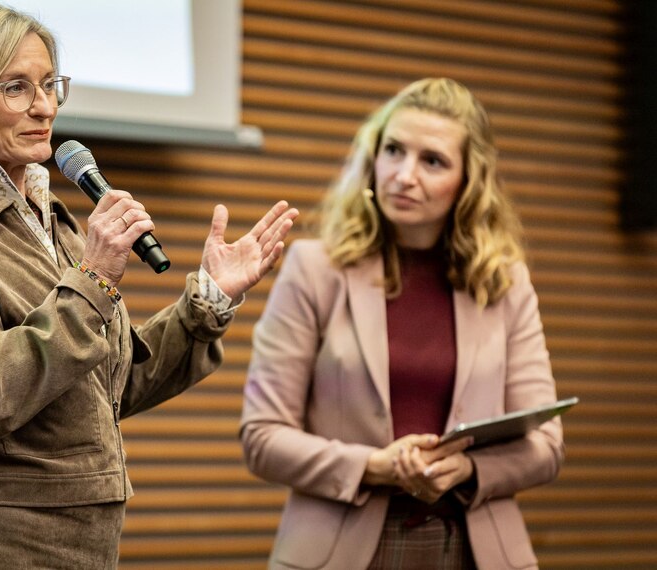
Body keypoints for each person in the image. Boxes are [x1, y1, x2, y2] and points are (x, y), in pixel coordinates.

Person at [0, 4, 298, 568]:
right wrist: (92, 279)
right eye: (16, 88)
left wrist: (209, 300)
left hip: (88, 540)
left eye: (50, 84)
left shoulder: (55, 223)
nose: (45, 106)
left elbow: (110, 386)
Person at [240, 77, 564, 570]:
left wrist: (468, 468)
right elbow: (262, 437)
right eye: (393, 151)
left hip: (475, 549)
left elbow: (546, 446)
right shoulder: (314, 270)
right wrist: (376, 466)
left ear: (469, 182)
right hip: (342, 551)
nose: (403, 175)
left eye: (432, 161)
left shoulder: (505, 283)